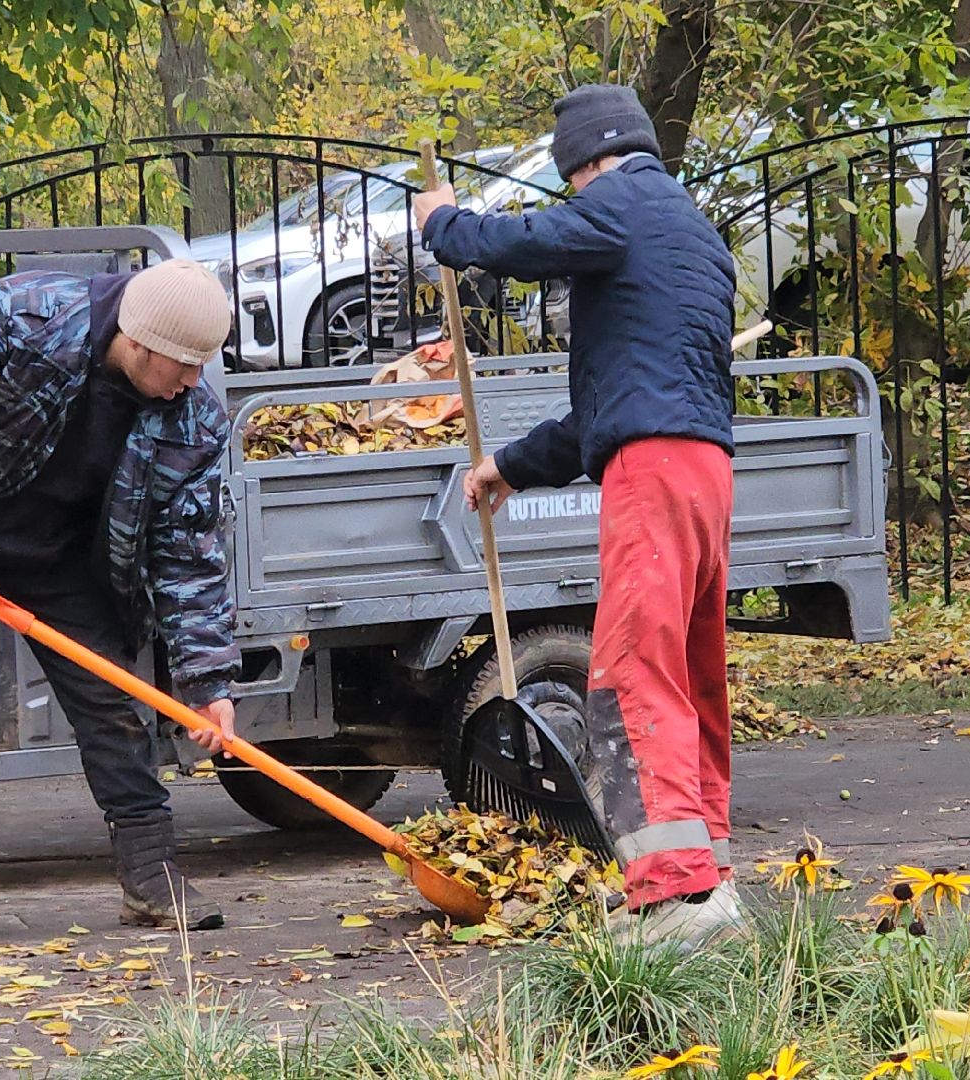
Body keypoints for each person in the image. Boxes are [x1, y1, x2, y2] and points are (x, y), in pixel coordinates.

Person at [413, 84, 743, 947]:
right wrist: (508, 469)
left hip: (656, 472)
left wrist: (446, 225)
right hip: (705, 471)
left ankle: (669, 894)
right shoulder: (691, 234)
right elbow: (614, 401)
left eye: (573, 183)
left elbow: (527, 244)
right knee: (689, 674)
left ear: (588, 167)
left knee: (630, 678)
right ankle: (707, 880)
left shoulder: (621, 203)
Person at [0, 258, 241, 944]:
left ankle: (151, 880)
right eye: (184, 365)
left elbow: (188, 552)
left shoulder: (192, 419)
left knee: (118, 704)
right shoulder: (20, 317)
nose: (193, 380)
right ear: (139, 343)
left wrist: (206, 680)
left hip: (63, 555)